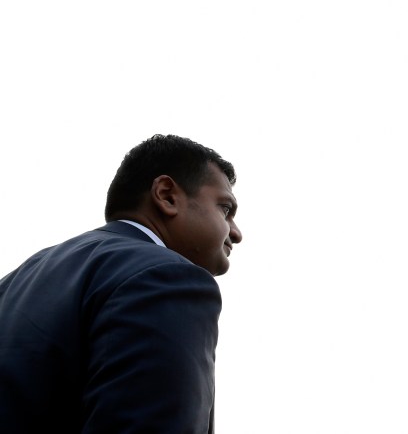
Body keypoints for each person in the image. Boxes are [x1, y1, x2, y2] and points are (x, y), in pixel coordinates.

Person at [0, 134, 242, 433]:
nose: (236, 232)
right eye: (226, 209)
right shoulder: (167, 277)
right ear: (166, 195)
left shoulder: (18, 279)